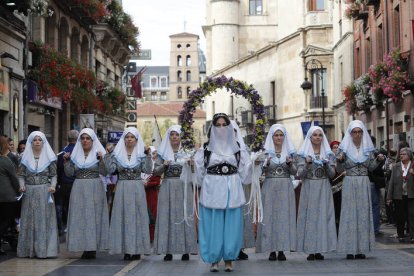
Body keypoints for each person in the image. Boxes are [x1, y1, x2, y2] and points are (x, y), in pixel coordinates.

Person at [194, 113, 252, 272]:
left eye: (224, 125)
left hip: (232, 190)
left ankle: (229, 259)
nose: (221, 128)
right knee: (213, 226)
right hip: (212, 190)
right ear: (213, 127)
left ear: (229, 127)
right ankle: (213, 260)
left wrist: (254, 164)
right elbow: (199, 173)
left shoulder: (238, 149)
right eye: (217, 125)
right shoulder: (205, 149)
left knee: (232, 226)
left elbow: (244, 173)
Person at [106, 127, 152, 260]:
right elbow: (111, 170)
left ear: (136, 139)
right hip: (122, 188)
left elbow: (148, 170)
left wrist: (148, 156)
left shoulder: (142, 154)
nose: (129, 139)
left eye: (132, 137)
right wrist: (108, 155)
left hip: (137, 187)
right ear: (124, 139)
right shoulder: (117, 154)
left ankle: (137, 249)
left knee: (137, 217)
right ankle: (126, 249)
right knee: (123, 217)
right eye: (127, 137)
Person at [153, 125, 197, 261]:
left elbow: (196, 172)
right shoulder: (162, 153)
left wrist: (192, 164)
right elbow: (155, 172)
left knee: (185, 214)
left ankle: (186, 250)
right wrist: (164, 165)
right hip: (168, 186)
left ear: (181, 137)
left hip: (184, 186)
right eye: (172, 134)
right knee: (168, 216)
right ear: (168, 136)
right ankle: (168, 251)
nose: (174, 137)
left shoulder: (188, 152)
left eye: (177, 135)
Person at [64, 128, 109, 259]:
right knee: (80, 216)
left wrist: (102, 160)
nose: (85, 141)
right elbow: (69, 173)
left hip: (95, 187)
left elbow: (105, 172)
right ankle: (83, 245)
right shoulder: (75, 155)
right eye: (82, 138)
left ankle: (92, 247)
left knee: (93, 216)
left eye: (87, 138)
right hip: (78, 187)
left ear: (93, 140)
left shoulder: (99, 154)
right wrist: (67, 162)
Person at [337, 120, 379, 259]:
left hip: (364, 182)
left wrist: (379, 160)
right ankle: (349, 248)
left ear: (363, 133)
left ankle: (361, 248)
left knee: (363, 214)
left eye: (359, 132)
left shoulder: (368, 148)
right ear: (350, 133)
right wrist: (340, 161)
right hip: (349, 182)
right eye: (354, 132)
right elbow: (338, 169)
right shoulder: (343, 149)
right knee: (349, 213)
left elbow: (371, 167)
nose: (357, 134)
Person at [256, 124, 297, 261]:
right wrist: (265, 164)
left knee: (284, 217)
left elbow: (296, 172)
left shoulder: (290, 152)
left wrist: (290, 164)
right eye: (276, 135)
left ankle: (282, 249)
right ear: (272, 137)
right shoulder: (266, 153)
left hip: (285, 186)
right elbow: (258, 172)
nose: (279, 138)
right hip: (270, 186)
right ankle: (271, 249)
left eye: (281, 135)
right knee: (270, 216)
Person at [296, 126, 337, 261]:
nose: (318, 137)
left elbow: (332, 174)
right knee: (310, 217)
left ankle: (320, 248)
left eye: (320, 135)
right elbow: (300, 174)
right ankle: (310, 249)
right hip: (309, 186)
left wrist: (326, 165)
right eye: (315, 135)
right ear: (310, 137)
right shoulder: (303, 154)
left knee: (323, 217)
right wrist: (307, 165)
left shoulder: (328, 153)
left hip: (323, 186)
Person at [17, 131, 59, 258]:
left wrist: (52, 186)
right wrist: (22, 185)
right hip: (29, 192)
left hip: (44, 192)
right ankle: (28, 250)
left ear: (43, 142)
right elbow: (21, 175)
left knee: (44, 220)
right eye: (34, 140)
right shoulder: (24, 158)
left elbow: (54, 175)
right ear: (31, 142)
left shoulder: (49, 158)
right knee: (29, 221)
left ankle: (44, 250)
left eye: (39, 140)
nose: (37, 142)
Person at [230, 120, 254, 261]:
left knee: (239, 217)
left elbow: (246, 169)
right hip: (221, 187)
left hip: (238, 186)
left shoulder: (242, 149)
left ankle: (239, 247)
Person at [387, 147, 414, 243]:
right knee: (400, 216)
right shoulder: (396, 166)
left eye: (404, 154)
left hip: (411, 195)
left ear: (409, 155)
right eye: (401, 154)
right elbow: (391, 182)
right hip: (398, 195)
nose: (401, 155)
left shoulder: (413, 166)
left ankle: (412, 235)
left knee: (411, 215)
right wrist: (389, 197)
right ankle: (401, 234)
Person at [55, 129, 78, 236]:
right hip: (75, 183)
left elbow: (59, 168)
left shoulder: (63, 151)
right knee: (71, 206)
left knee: (60, 206)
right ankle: (70, 226)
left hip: (63, 183)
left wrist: (58, 182)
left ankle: (60, 227)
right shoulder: (79, 151)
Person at [0, 136, 20, 255]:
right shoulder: (5, 160)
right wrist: (20, 191)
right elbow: (14, 178)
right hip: (7, 197)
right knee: (6, 220)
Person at [144, 146, 161, 242]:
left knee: (152, 213)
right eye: (150, 153)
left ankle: (152, 237)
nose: (152, 155)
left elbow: (157, 182)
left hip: (152, 194)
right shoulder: (143, 163)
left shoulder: (157, 165)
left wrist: (147, 183)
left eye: (154, 153)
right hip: (142, 192)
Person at [329, 140, 344, 233]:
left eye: (338, 147)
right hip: (332, 188)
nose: (336, 149)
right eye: (334, 147)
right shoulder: (329, 159)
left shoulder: (342, 159)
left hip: (342, 188)